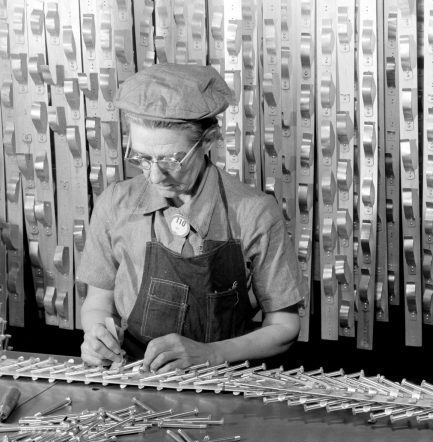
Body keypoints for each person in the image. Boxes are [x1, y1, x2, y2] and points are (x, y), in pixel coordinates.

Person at [79, 64, 304, 373]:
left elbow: (285, 326)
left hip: (222, 380)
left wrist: (210, 354)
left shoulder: (255, 213)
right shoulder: (115, 204)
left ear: (209, 140)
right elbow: (97, 302)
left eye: (172, 159)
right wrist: (96, 335)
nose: (155, 175)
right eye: (142, 158)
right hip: (131, 376)